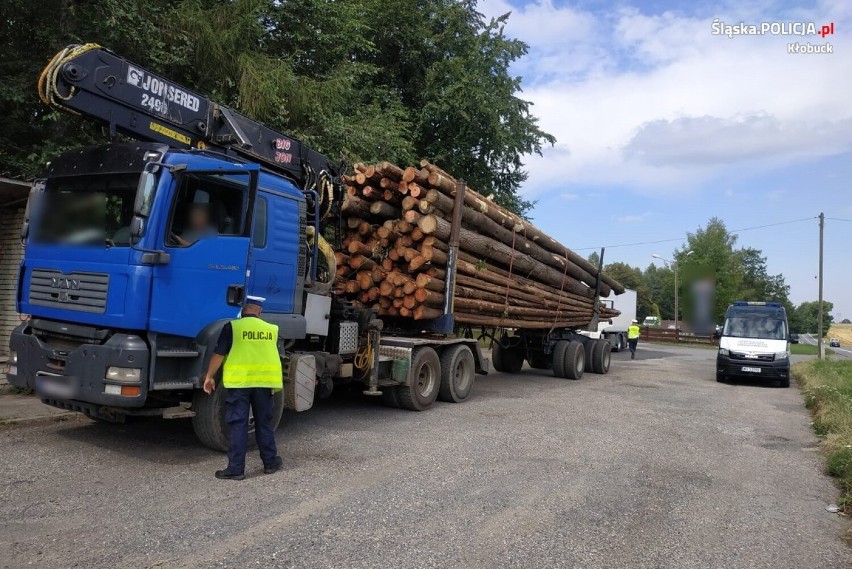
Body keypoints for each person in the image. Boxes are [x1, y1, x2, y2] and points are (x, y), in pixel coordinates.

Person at [203, 296, 284, 480]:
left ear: (243, 310)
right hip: (264, 384)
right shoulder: (272, 330)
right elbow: (278, 355)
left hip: (240, 384)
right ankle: (270, 463)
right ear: (260, 311)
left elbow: (219, 354)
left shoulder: (233, 327)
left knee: (238, 424)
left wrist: (209, 377)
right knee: (264, 423)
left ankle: (236, 469)